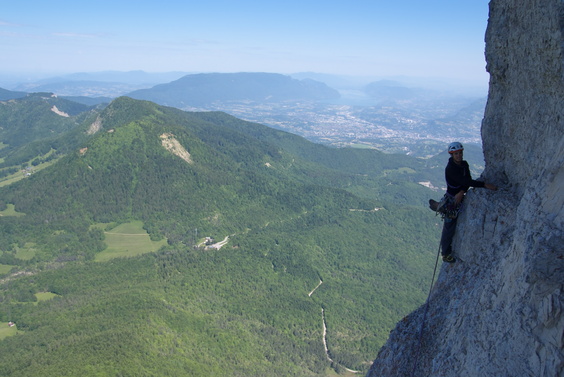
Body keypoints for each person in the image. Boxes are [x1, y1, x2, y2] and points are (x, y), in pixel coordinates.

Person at [429, 142, 497, 263]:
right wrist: (484, 185)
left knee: (450, 222)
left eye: (460, 153)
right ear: (452, 155)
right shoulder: (450, 169)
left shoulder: (464, 165)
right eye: (456, 154)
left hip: (457, 194)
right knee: (449, 227)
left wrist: (461, 192)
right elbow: (465, 181)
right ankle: (445, 254)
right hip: (451, 199)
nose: (459, 155)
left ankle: (439, 206)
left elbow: (467, 181)